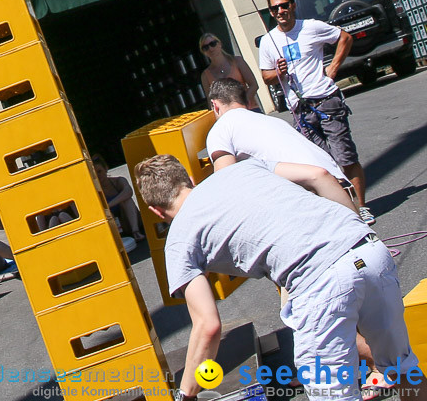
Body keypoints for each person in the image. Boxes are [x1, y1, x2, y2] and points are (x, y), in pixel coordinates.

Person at [135, 154, 420, 401]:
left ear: (156, 211)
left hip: (319, 279)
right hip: (368, 249)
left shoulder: (178, 242)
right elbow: (318, 175)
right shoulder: (240, 169)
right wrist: (354, 229)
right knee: (402, 367)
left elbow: (207, 326)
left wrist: (186, 393)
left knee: (333, 393)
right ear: (189, 181)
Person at [259, 0, 373, 224]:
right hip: (299, 109)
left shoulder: (310, 27)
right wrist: (277, 72)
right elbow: (265, 77)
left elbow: (345, 37)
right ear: (270, 12)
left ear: (292, 6)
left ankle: (361, 207)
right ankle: (343, 211)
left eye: (284, 5)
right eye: (274, 8)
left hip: (325, 100)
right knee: (320, 164)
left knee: (345, 156)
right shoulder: (269, 41)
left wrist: (332, 69)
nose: (280, 11)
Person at [206, 77, 357, 211]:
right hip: (342, 188)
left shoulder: (221, 128)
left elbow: (227, 179)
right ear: (245, 101)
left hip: (315, 194)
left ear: (215, 105)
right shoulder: (274, 121)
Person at [199, 33, 260, 109]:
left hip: (249, 109)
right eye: (205, 47)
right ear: (203, 52)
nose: (210, 49)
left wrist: (243, 103)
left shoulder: (238, 61)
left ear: (219, 44)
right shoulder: (205, 75)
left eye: (213, 44)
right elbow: (211, 101)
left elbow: (254, 85)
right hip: (228, 115)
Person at [91, 154, 145, 241]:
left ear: (106, 169)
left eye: (99, 171)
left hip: (129, 220)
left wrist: (109, 205)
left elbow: (129, 192)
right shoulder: (95, 191)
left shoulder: (119, 181)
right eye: (95, 174)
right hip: (115, 225)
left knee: (127, 201)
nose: (98, 176)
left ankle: (136, 232)